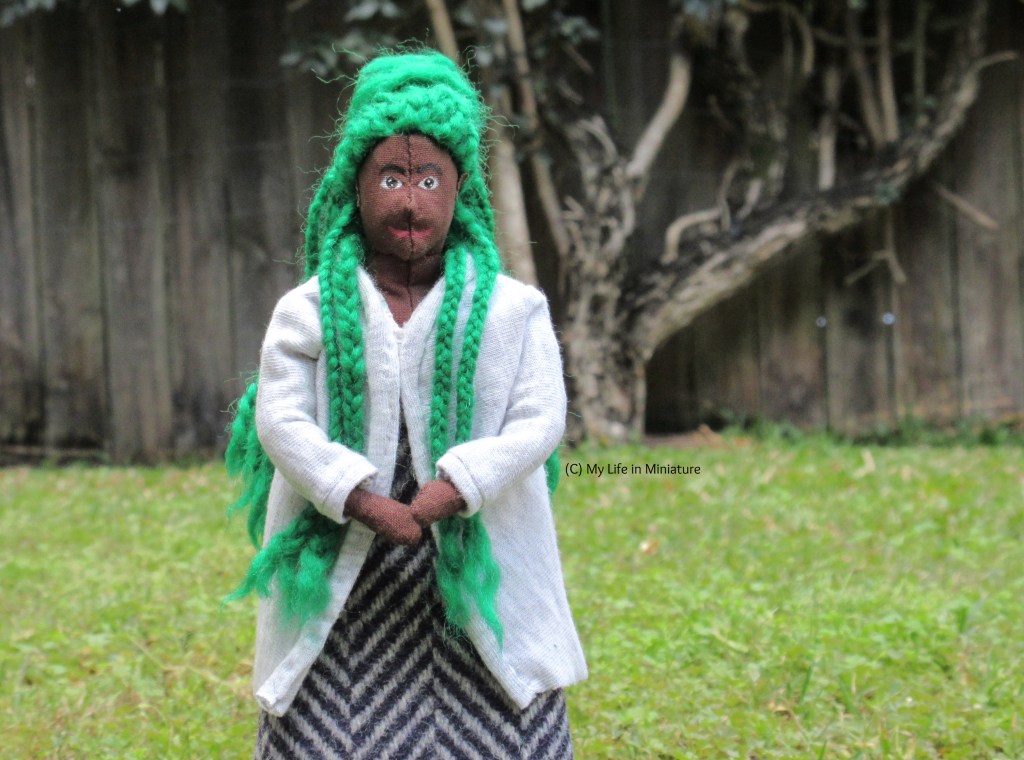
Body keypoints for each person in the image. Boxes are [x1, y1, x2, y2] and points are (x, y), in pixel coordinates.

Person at [225, 49, 587, 759]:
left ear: (460, 190)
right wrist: (358, 497)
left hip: (469, 556)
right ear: (354, 188)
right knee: (328, 699)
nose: (411, 200)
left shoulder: (515, 312)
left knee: (500, 682)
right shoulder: (308, 312)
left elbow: (538, 419)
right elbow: (282, 419)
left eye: (429, 179)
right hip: (349, 554)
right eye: (390, 177)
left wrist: (458, 488)